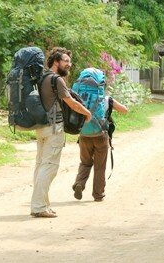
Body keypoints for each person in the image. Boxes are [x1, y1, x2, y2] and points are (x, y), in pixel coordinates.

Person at [31, 47, 92, 218]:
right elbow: (71, 102)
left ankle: (42, 204)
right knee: (49, 167)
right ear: (56, 62)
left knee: (41, 165)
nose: (69, 64)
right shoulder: (56, 80)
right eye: (65, 61)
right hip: (54, 128)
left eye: (69, 61)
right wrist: (86, 113)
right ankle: (38, 206)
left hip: (41, 127)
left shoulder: (42, 77)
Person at [72, 90, 128, 202]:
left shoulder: (80, 97)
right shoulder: (107, 99)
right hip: (101, 136)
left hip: (84, 135)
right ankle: (98, 194)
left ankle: (79, 183)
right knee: (100, 166)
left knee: (85, 162)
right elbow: (124, 110)